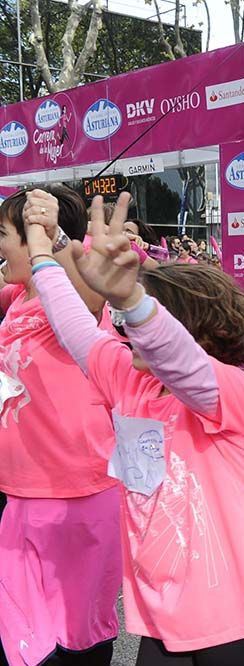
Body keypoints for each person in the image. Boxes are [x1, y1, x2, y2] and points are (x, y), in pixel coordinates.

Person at [28, 193, 244, 666]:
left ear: (191, 327)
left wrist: (132, 297)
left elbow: (181, 363)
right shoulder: (127, 377)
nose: (126, 327)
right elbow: (71, 321)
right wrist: (42, 246)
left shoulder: (230, 391)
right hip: (165, 619)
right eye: (124, 319)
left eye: (139, 318)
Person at [0, 187, 121, 666]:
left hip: (77, 492)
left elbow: (92, 291)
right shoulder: (17, 293)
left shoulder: (69, 300)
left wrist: (52, 235)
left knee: (79, 635)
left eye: (3, 235)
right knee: (21, 635)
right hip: (21, 490)